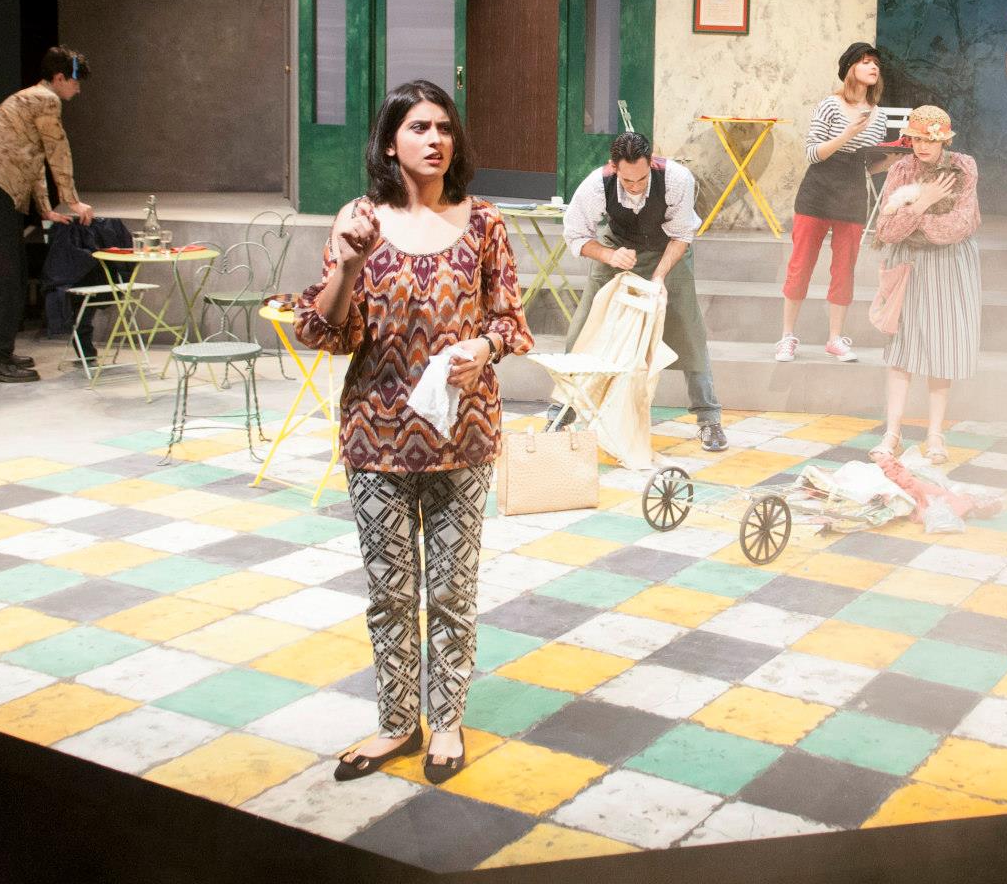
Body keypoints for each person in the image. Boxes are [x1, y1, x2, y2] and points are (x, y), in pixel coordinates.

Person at [295, 80, 533, 784]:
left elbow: (510, 321)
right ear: (390, 141)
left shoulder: (484, 223)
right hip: (377, 436)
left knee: (453, 591)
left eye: (444, 127)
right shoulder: (360, 221)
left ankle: (447, 720)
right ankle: (397, 723)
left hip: (463, 434)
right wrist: (348, 265)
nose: (435, 139)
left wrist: (483, 348)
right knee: (390, 593)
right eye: (419, 127)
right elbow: (325, 333)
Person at [561, 131, 727, 452]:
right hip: (617, 248)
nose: (635, 187)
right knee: (584, 327)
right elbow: (576, 235)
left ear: (650, 163)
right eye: (627, 181)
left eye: (641, 179)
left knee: (689, 331)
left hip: (667, 249)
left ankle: (709, 418)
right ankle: (563, 410)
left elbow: (682, 235)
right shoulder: (596, 184)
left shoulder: (677, 179)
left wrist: (659, 277)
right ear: (614, 168)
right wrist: (609, 256)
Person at [0, 46, 95, 383]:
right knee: (3, 276)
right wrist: (72, 200)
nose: (78, 89)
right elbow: (57, 150)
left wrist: (46, 208)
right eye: (76, 81)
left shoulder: (31, 99)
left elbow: (33, 161)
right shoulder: (45, 99)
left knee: (14, 274)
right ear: (59, 78)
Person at [871, 106, 982, 465]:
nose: (921, 146)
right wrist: (922, 204)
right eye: (916, 139)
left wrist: (913, 222)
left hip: (948, 266)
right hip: (908, 264)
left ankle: (935, 434)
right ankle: (892, 433)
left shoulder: (963, 167)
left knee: (942, 348)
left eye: (929, 140)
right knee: (901, 348)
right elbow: (886, 230)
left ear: (944, 140)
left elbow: (959, 226)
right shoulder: (902, 169)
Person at [776, 41, 887, 363]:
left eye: (875, 62)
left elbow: (868, 165)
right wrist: (848, 133)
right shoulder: (830, 105)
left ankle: (835, 339)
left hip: (852, 194)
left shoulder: (878, 115)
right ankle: (786, 337)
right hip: (818, 191)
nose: (873, 67)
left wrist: (891, 161)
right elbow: (813, 153)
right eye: (865, 61)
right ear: (850, 68)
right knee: (800, 266)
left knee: (844, 270)